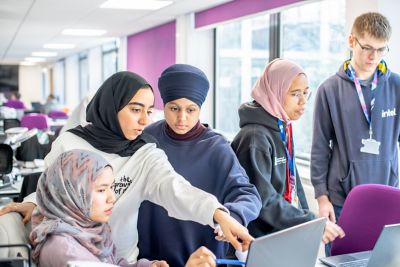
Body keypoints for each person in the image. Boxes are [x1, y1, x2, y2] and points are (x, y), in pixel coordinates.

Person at [0, 71, 253, 264]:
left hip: (122, 258)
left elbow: (176, 189)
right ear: (112, 106)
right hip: (75, 254)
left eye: (148, 111)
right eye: (135, 110)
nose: (145, 120)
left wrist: (219, 215)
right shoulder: (71, 142)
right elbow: (53, 185)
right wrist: (33, 202)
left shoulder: (144, 151)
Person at [137, 64, 261, 267]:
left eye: (191, 110)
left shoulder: (216, 146)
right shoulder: (146, 138)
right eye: (174, 108)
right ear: (164, 106)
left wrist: (231, 216)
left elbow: (247, 193)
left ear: (200, 109)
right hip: (151, 255)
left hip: (201, 255)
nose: (182, 118)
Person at [311, 12, 400, 255]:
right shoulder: (329, 90)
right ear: (352, 41)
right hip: (343, 202)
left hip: (387, 198)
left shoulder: (396, 86)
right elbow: (320, 148)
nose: (374, 57)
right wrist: (322, 198)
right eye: (368, 47)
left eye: (382, 50)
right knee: (342, 260)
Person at [230, 58, 345, 243]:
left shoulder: (281, 127)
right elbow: (263, 200)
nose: (303, 102)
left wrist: (310, 223)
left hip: (281, 234)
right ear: (274, 93)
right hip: (257, 241)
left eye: (306, 93)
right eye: (295, 94)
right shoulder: (254, 138)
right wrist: (309, 221)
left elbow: (294, 183)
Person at [30, 149, 167, 267]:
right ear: (71, 193)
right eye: (102, 190)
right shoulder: (63, 248)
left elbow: (111, 263)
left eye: (111, 187)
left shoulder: (88, 229)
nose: (112, 198)